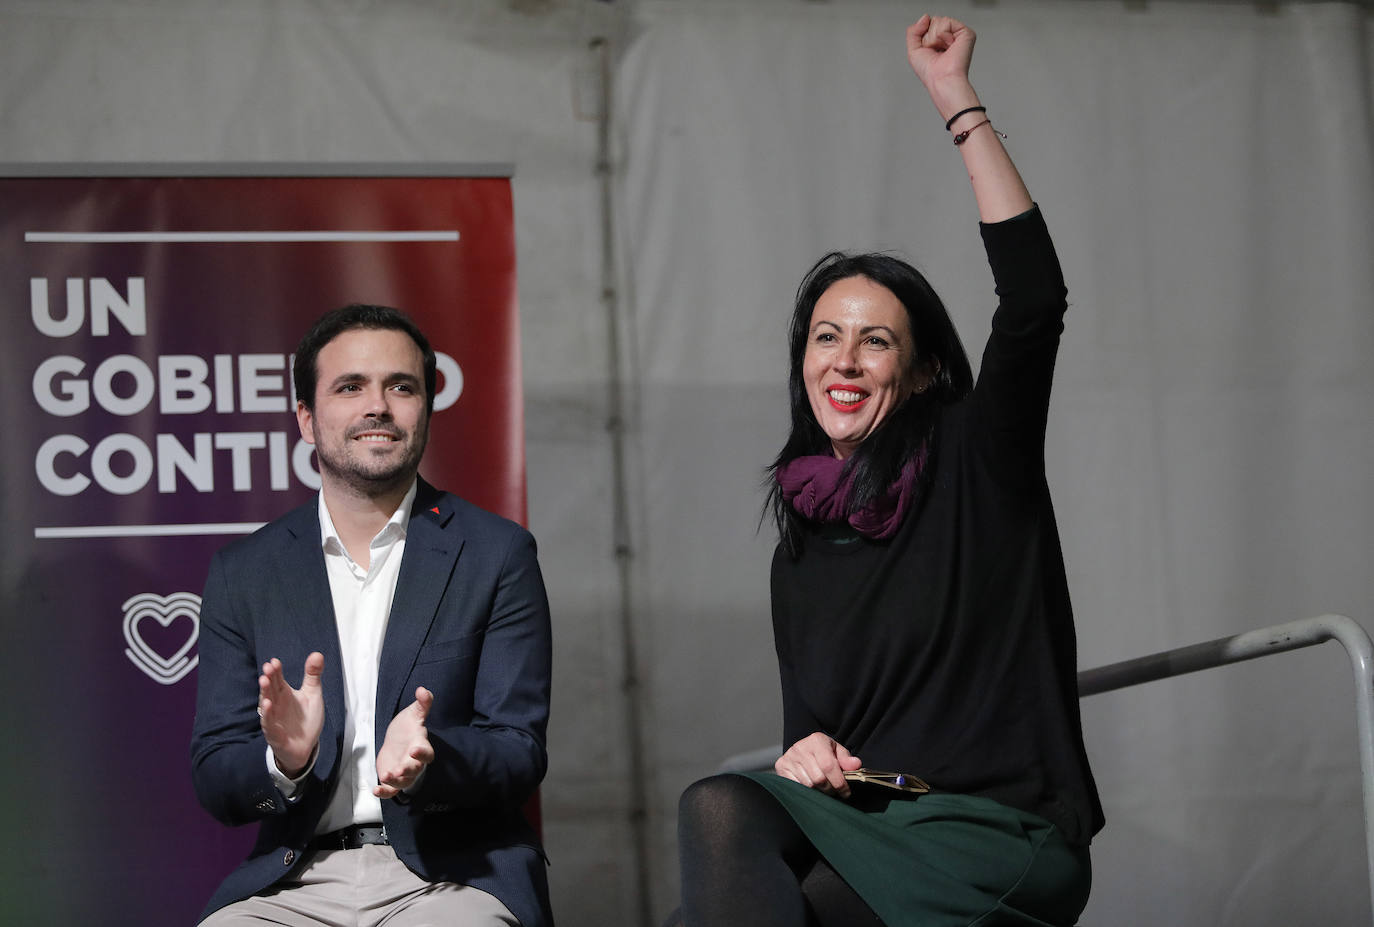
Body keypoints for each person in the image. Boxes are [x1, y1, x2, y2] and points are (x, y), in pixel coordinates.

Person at [668, 15, 1102, 927]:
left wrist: (956, 100)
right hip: (874, 812)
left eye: (876, 340)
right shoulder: (800, 545)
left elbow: (1034, 301)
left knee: (797, 900)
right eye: (826, 338)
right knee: (720, 808)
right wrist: (807, 752)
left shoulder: (977, 457)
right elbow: (812, 735)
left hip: (999, 828)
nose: (845, 359)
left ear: (921, 370)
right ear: (803, 364)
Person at [190, 304, 553, 927]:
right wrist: (286, 761)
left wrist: (432, 759)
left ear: (426, 413)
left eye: (401, 386)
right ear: (307, 418)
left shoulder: (497, 553)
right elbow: (216, 775)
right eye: (350, 386)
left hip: (450, 879)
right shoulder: (244, 571)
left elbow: (518, 750)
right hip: (293, 880)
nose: (378, 405)